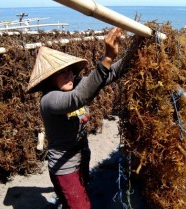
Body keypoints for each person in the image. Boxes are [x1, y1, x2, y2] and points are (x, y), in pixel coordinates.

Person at [26, 27, 125, 209]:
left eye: (71, 70)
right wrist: (107, 57)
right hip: (64, 168)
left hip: (81, 157)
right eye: (62, 72)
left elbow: (109, 74)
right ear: (49, 79)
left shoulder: (75, 84)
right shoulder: (49, 100)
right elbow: (79, 98)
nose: (70, 75)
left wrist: (136, 52)